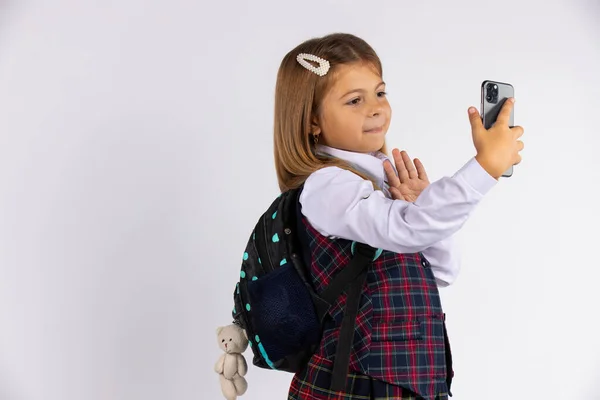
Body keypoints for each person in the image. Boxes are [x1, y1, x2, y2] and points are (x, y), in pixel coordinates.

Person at [271, 32, 524, 400]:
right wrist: (483, 169)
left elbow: (442, 270)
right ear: (312, 121)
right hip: (355, 383)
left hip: (415, 377)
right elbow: (405, 231)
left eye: (380, 93)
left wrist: (422, 205)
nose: (375, 108)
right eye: (354, 100)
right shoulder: (327, 186)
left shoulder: (379, 180)